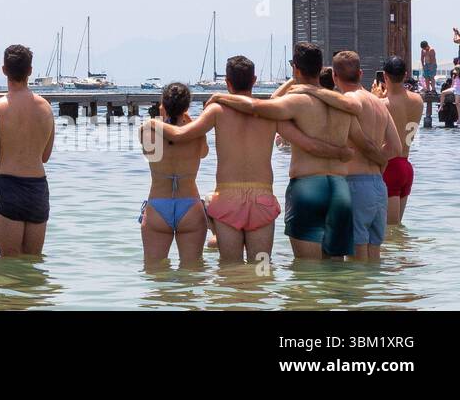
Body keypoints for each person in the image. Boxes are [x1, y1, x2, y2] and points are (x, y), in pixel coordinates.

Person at [160, 56, 351, 264]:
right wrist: (339, 152)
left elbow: (181, 135)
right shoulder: (270, 115)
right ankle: (258, 294)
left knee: (230, 266)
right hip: (262, 200)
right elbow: (308, 144)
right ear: (254, 80)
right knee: (261, 265)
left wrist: (153, 125)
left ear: (227, 83)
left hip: (227, 199)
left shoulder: (216, 110)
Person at [206, 42, 369, 260]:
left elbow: (257, 107)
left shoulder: (294, 101)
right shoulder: (343, 104)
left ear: (296, 70)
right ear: (322, 68)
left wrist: (219, 97)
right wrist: (342, 153)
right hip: (339, 188)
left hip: (309, 186)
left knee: (307, 268)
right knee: (336, 268)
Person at [330, 51, 399, 260]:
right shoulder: (379, 102)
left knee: (356, 258)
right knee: (373, 256)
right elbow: (396, 147)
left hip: (354, 184)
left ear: (334, 76)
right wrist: (377, 161)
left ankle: (357, 294)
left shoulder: (348, 101)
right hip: (378, 185)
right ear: (360, 73)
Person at [0, 44, 54, 257]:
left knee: (8, 264)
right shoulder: (45, 108)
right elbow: (45, 156)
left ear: (3, 70)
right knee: (33, 262)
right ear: (30, 71)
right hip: (37, 188)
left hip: (7, 187)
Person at [139, 83, 208, 265]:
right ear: (186, 107)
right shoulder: (198, 134)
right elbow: (203, 153)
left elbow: (148, 152)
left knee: (154, 271)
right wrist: (190, 122)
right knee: (192, 271)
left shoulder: (147, 130)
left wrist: (158, 121)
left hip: (158, 206)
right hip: (190, 206)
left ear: (163, 105)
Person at [378, 56, 423, 226]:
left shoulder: (381, 104)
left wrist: (378, 98)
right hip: (406, 166)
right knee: (397, 229)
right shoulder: (418, 100)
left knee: (388, 232)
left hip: (389, 167)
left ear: (384, 76)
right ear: (405, 75)